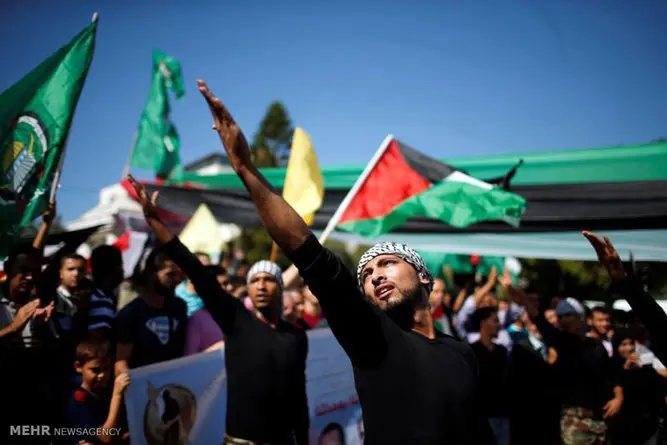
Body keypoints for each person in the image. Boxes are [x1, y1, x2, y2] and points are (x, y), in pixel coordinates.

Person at [194, 79, 493, 444]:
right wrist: (246, 170)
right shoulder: (374, 338)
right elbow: (308, 251)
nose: (375, 275)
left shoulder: (462, 353)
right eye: (365, 274)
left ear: (423, 277)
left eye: (387, 263)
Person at [126, 175, 309, 445]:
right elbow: (196, 271)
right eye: (254, 281)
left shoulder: (296, 337)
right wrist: (156, 224)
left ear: (280, 288)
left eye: (268, 280)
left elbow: (298, 396)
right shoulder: (237, 321)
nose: (260, 286)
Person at [502, 277, 623, 445]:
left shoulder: (597, 345)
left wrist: (618, 398)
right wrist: (521, 297)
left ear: (581, 318)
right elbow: (538, 319)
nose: (564, 319)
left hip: (599, 418)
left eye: (569, 315)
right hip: (573, 418)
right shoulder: (563, 342)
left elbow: (613, 373)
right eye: (561, 316)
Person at [115, 246, 187, 373]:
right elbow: (121, 362)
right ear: (152, 274)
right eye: (170, 274)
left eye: (178, 275)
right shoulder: (131, 314)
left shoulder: (179, 307)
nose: (176, 280)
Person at [66, 340, 130, 444]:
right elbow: (105, 437)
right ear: (78, 367)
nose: (102, 375)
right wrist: (117, 396)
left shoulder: (105, 393)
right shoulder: (79, 400)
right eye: (95, 370)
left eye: (106, 368)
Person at [470, 307, 510, 445]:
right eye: (495, 320)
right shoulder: (472, 351)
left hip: (502, 413)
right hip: (482, 415)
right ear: (483, 323)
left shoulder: (501, 351)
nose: (498, 325)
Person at [185, 265, 227, 355]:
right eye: (221, 285)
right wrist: (220, 348)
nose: (229, 287)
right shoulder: (197, 319)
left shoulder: (237, 314)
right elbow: (190, 357)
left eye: (227, 283)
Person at [87, 245, 124, 340]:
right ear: (115, 268)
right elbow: (97, 341)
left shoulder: (105, 296)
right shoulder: (100, 300)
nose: (123, 270)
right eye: (121, 265)